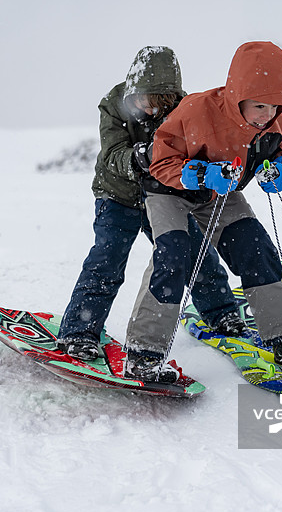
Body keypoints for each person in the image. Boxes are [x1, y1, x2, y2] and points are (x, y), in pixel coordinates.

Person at [124, 41, 282, 383]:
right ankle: (144, 354)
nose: (267, 115)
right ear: (237, 95)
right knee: (173, 257)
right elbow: (160, 161)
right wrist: (199, 173)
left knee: (256, 249)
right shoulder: (195, 109)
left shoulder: (270, 119)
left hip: (220, 196)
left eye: (276, 107)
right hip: (170, 193)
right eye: (260, 105)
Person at [57, 46, 244, 361]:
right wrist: (142, 157)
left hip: (162, 195)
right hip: (117, 194)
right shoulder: (114, 105)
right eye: (143, 100)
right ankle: (79, 332)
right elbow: (113, 154)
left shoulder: (185, 109)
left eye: (158, 103)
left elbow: (193, 152)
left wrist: (208, 173)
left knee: (193, 252)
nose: (149, 109)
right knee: (107, 259)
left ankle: (221, 312)